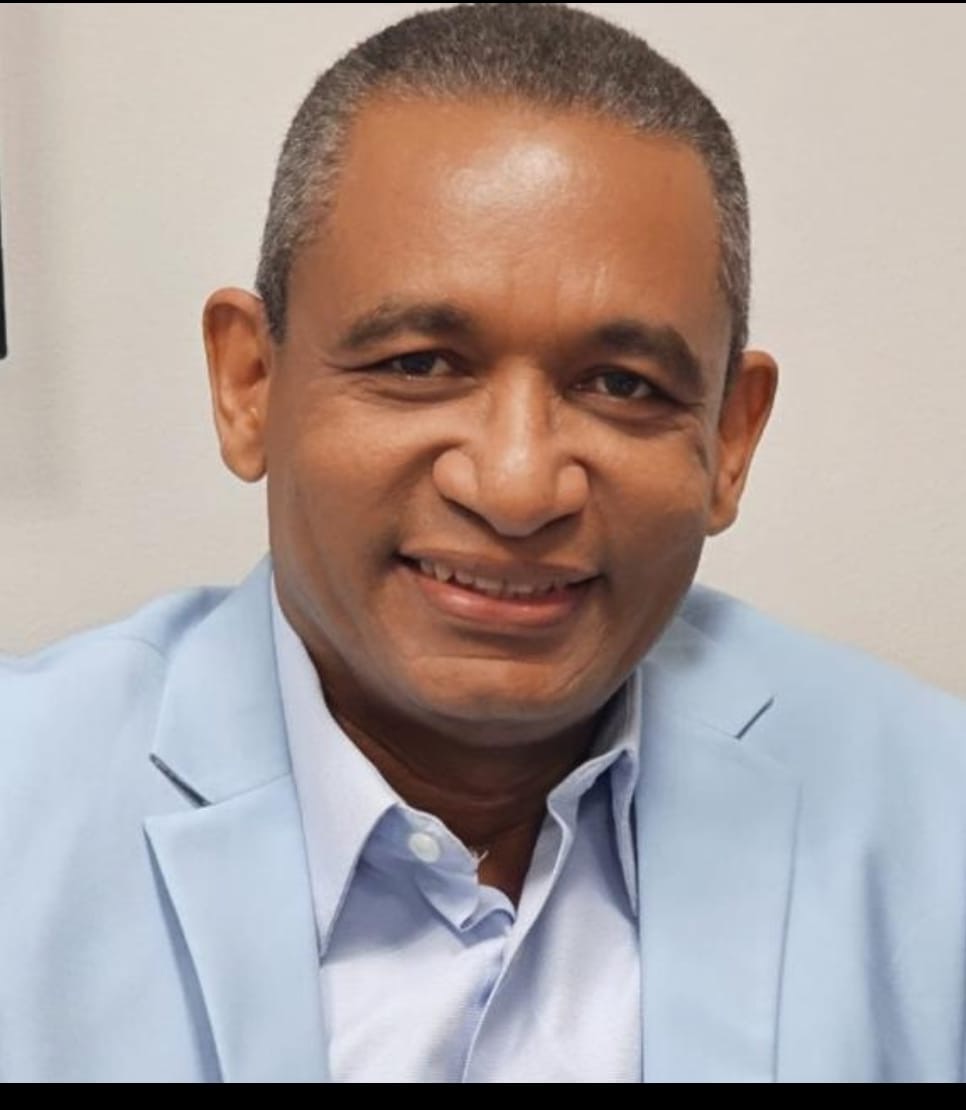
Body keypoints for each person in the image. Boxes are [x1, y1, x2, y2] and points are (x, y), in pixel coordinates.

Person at [1, 2, 964, 1084]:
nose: (516, 487)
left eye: (622, 386)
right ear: (249, 384)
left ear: (730, 440)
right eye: (419, 365)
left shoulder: (939, 827)